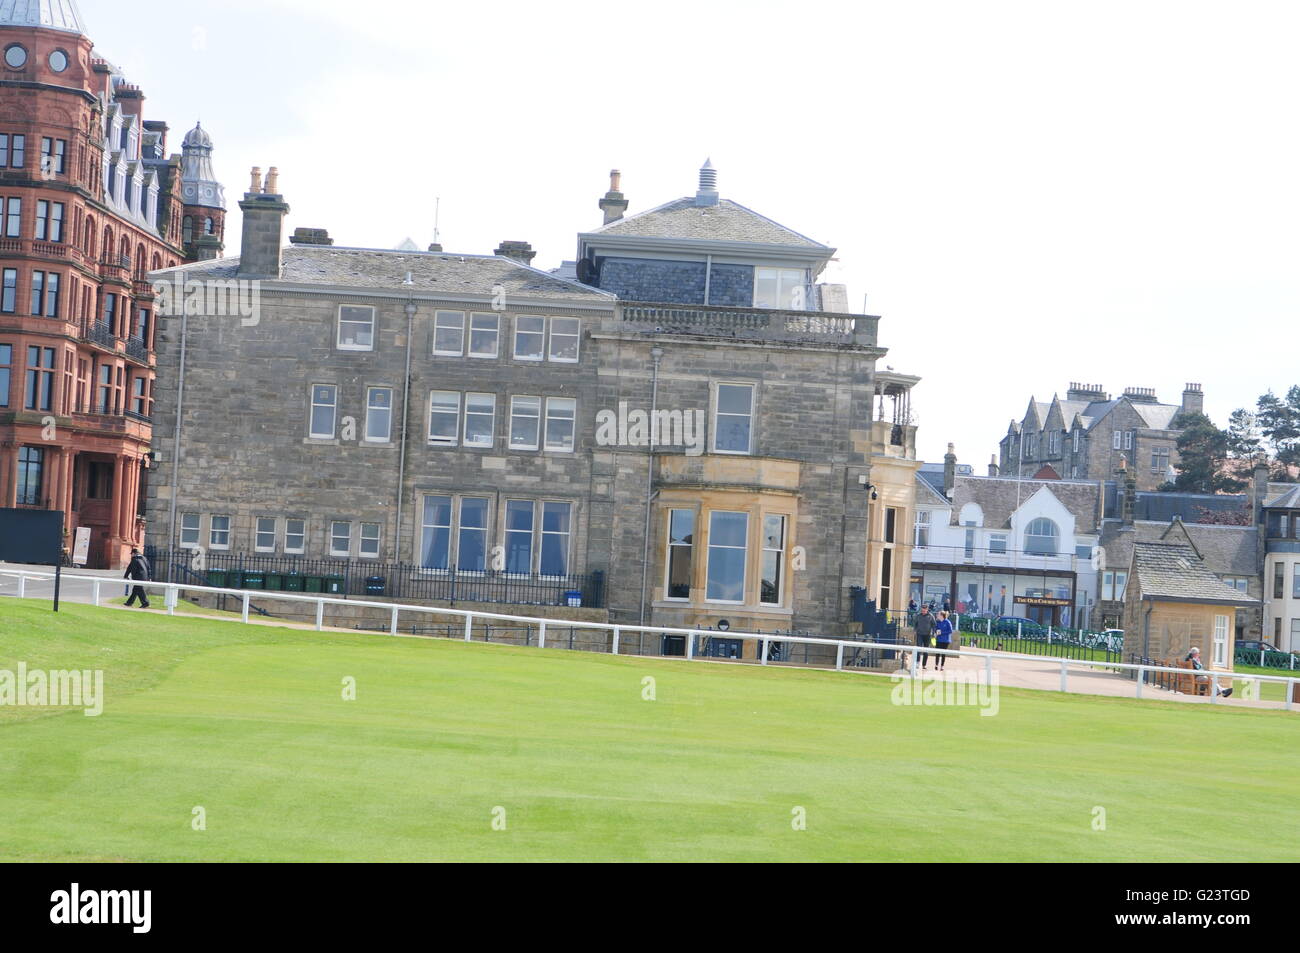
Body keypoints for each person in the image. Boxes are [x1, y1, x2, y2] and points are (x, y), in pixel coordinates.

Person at [913, 604, 935, 671]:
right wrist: (914, 630)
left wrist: (933, 633)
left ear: (927, 609)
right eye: (922, 610)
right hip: (919, 634)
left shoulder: (931, 616)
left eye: (924, 610)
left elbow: (934, 625)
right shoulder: (918, 616)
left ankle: (924, 665)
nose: (923, 611)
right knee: (918, 648)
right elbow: (915, 624)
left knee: (926, 650)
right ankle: (917, 663)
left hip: (927, 635)